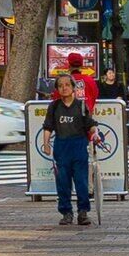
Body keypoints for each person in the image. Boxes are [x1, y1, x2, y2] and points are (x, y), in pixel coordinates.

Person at [41, 68, 95, 225]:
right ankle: (66, 212)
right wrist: (46, 143)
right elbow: (48, 127)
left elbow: (90, 125)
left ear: (73, 87)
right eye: (60, 85)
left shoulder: (81, 105)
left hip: (79, 145)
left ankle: (83, 212)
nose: (64, 88)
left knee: (81, 181)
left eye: (67, 84)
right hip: (61, 145)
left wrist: (95, 133)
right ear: (57, 89)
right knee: (62, 181)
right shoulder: (54, 106)